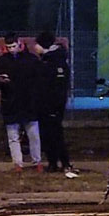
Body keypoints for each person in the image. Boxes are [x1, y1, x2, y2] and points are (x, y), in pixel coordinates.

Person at [0, 32, 43, 172]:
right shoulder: (2, 61)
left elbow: (38, 80)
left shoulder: (30, 59)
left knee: (33, 134)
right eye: (9, 47)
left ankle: (37, 161)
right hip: (11, 102)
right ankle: (18, 163)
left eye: (13, 46)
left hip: (27, 102)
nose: (11, 49)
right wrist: (0, 81)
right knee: (13, 136)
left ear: (19, 44)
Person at [34, 31, 76, 176]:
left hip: (53, 105)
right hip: (45, 105)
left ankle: (64, 162)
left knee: (56, 134)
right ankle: (53, 162)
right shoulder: (48, 60)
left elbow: (56, 87)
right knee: (47, 135)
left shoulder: (55, 61)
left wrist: (55, 106)